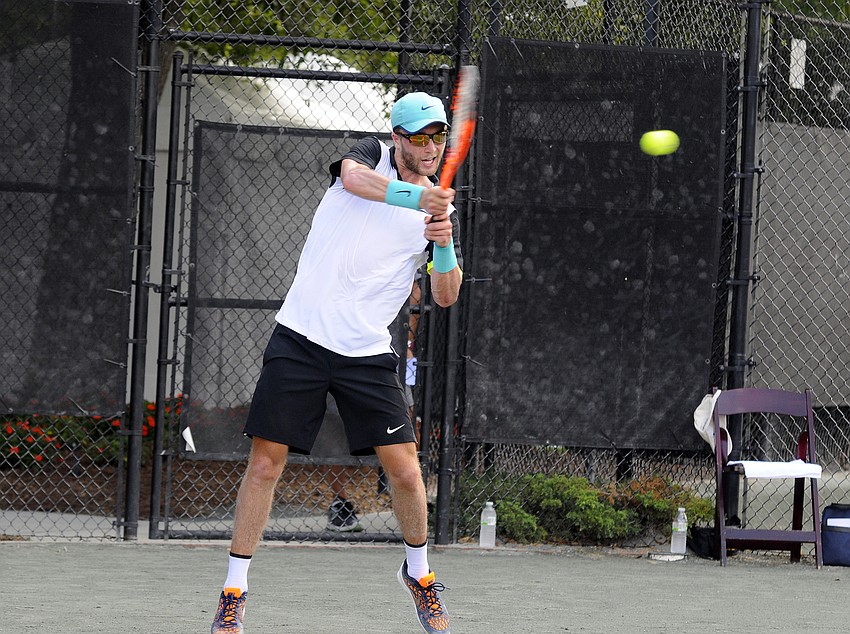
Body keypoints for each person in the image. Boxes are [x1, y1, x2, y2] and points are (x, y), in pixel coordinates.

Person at [211, 91, 463, 634]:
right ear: (396, 138)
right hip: (300, 338)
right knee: (264, 466)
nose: (430, 146)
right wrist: (416, 201)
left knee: (405, 470)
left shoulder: (439, 207)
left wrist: (441, 243)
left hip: (368, 353)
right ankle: (234, 590)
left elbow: (445, 296)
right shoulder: (370, 156)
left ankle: (418, 575)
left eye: (438, 136)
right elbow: (352, 179)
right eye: (418, 137)